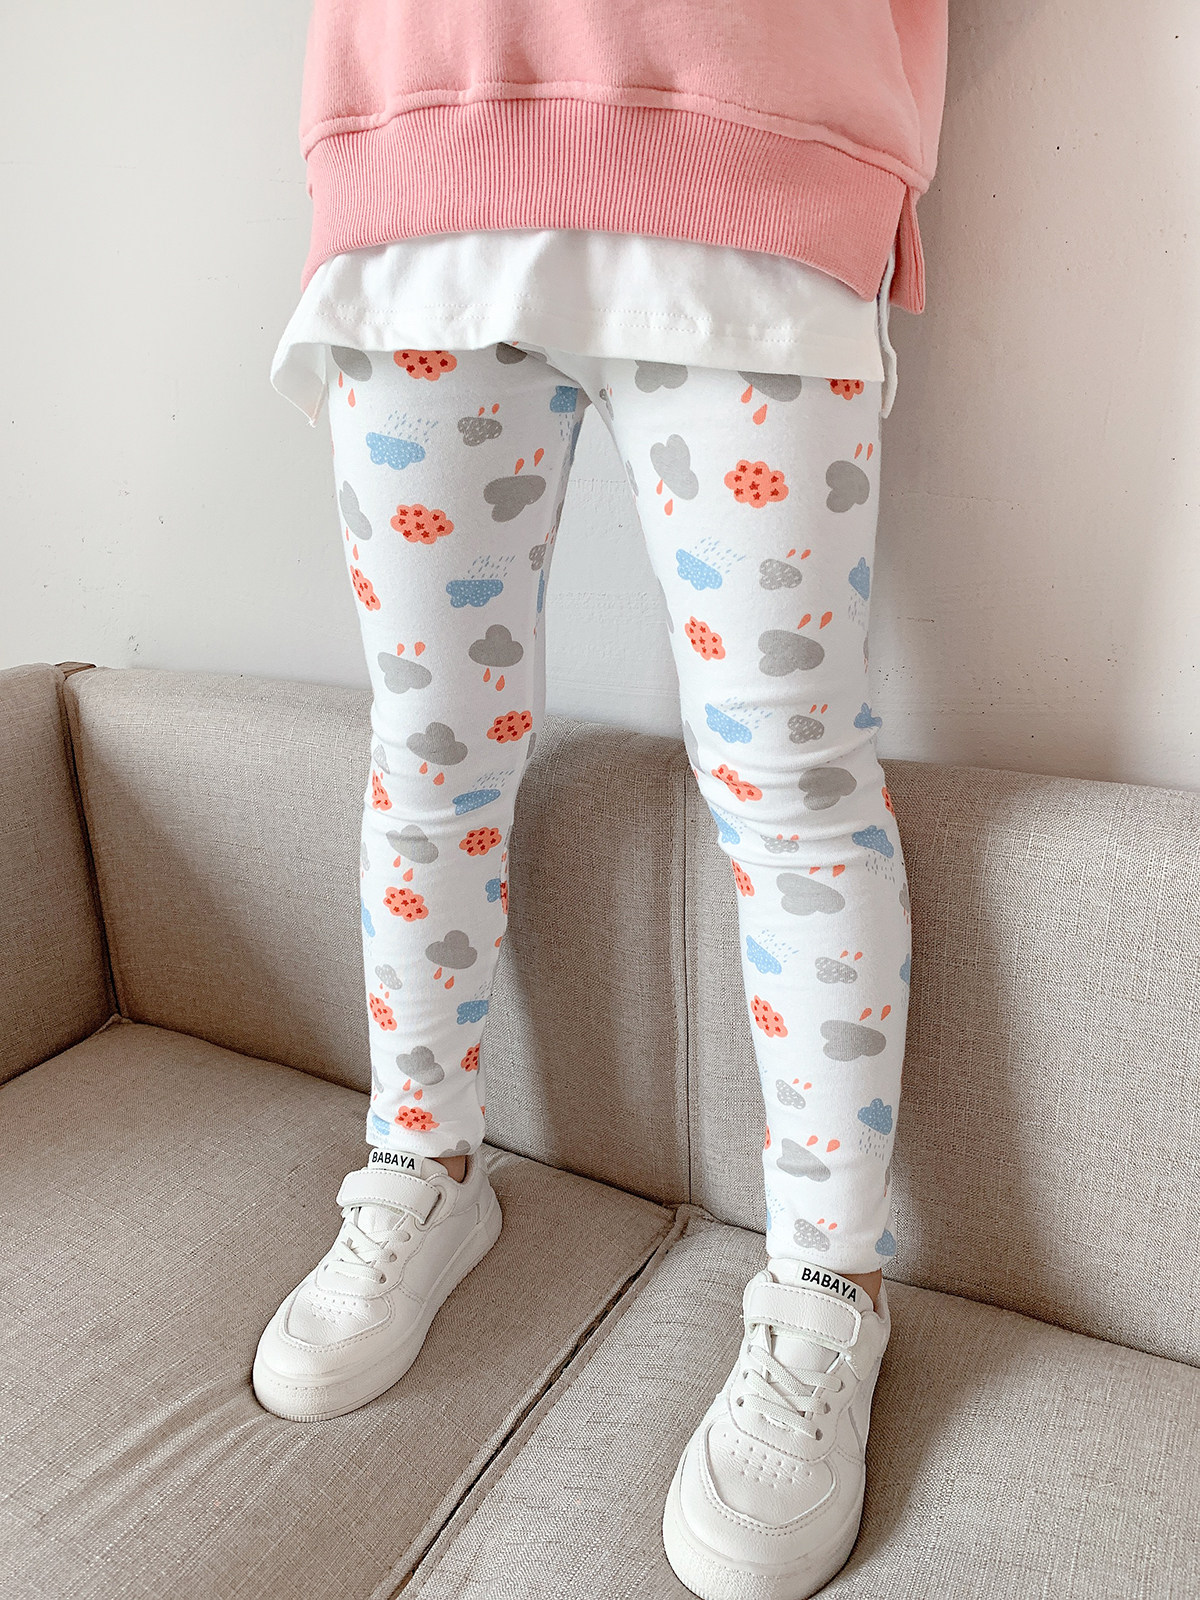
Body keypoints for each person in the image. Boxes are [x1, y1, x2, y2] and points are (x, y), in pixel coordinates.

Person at [254, 5, 948, 1595]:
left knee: (792, 779)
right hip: (421, 155)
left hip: (757, 153)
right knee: (430, 753)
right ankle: (423, 1165)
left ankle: (830, 1282)